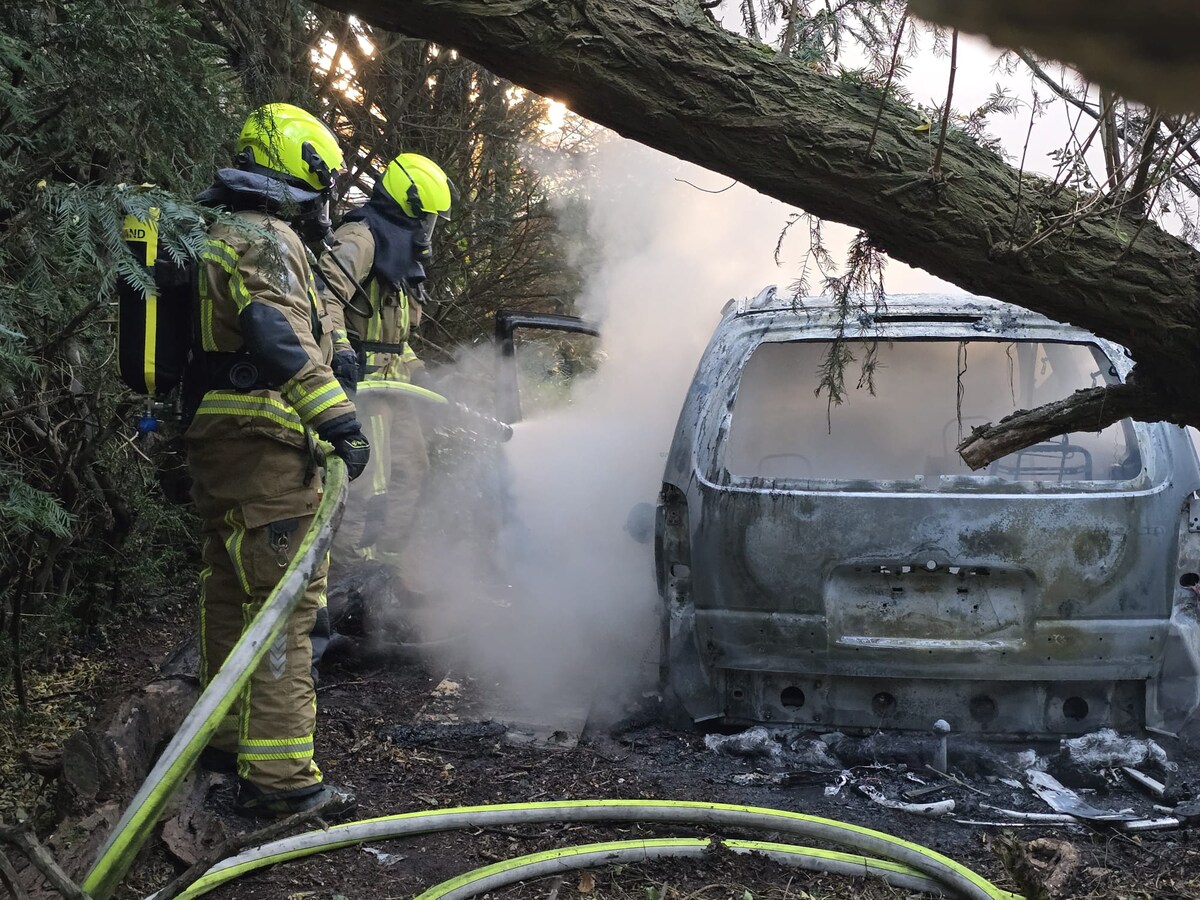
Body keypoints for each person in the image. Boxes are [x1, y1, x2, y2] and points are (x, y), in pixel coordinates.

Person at [187, 102, 370, 817]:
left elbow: (306, 323)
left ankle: (224, 742)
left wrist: (344, 359)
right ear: (298, 172)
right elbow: (276, 333)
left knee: (227, 593)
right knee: (285, 610)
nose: (327, 202)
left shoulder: (223, 231)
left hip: (218, 446)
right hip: (267, 450)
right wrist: (340, 423)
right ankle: (282, 781)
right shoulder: (267, 238)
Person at [319, 153, 454, 570]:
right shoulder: (360, 239)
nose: (428, 229)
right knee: (367, 486)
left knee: (412, 472)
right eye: (426, 217)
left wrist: (420, 373)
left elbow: (395, 340)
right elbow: (324, 299)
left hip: (396, 389)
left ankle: (384, 567)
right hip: (362, 389)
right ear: (406, 204)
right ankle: (345, 575)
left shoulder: (399, 253)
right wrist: (341, 355)